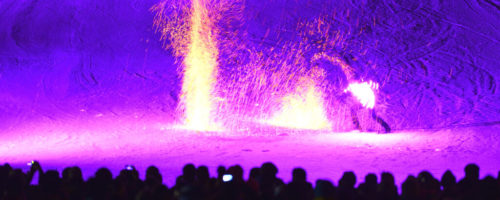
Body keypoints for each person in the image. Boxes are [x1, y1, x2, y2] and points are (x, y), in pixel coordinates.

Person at [312, 53, 391, 133]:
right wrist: (338, 99)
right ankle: (359, 128)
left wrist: (386, 93)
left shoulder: (364, 83)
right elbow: (345, 92)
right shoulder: (351, 85)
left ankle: (387, 128)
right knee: (353, 110)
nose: (351, 81)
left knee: (373, 116)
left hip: (369, 102)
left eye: (353, 80)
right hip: (362, 102)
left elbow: (376, 86)